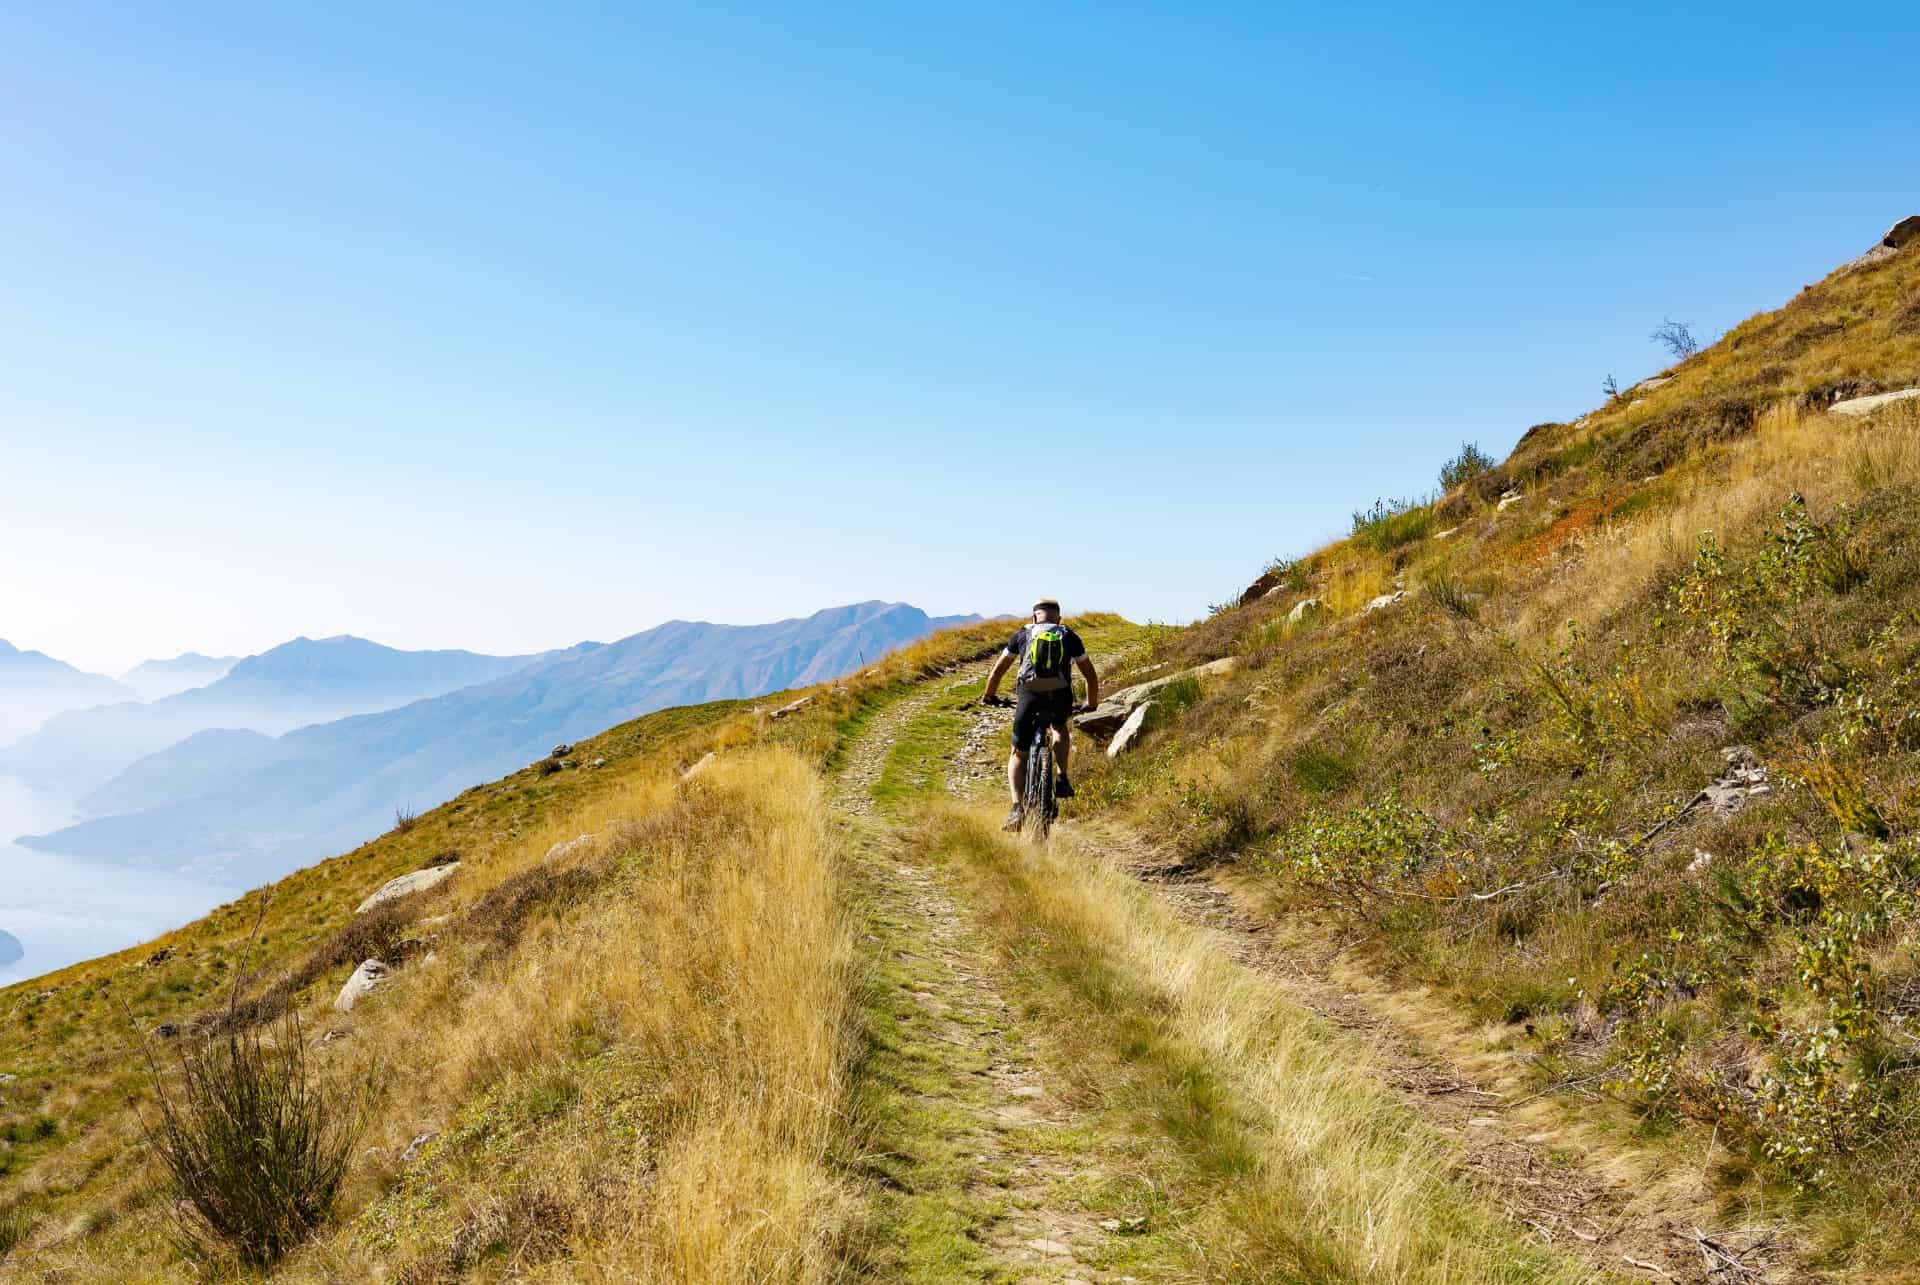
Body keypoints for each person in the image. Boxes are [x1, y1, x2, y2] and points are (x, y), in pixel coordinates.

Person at [981, 598, 1099, 831]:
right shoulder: (1069, 635)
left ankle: (1016, 808)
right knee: (1059, 728)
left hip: (1029, 695)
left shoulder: (1022, 635)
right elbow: (1090, 675)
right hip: (1060, 695)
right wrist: (1091, 703)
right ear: (1059, 618)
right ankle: (1062, 777)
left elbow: (998, 670)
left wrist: (989, 695)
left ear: (1034, 617)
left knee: (1018, 753)